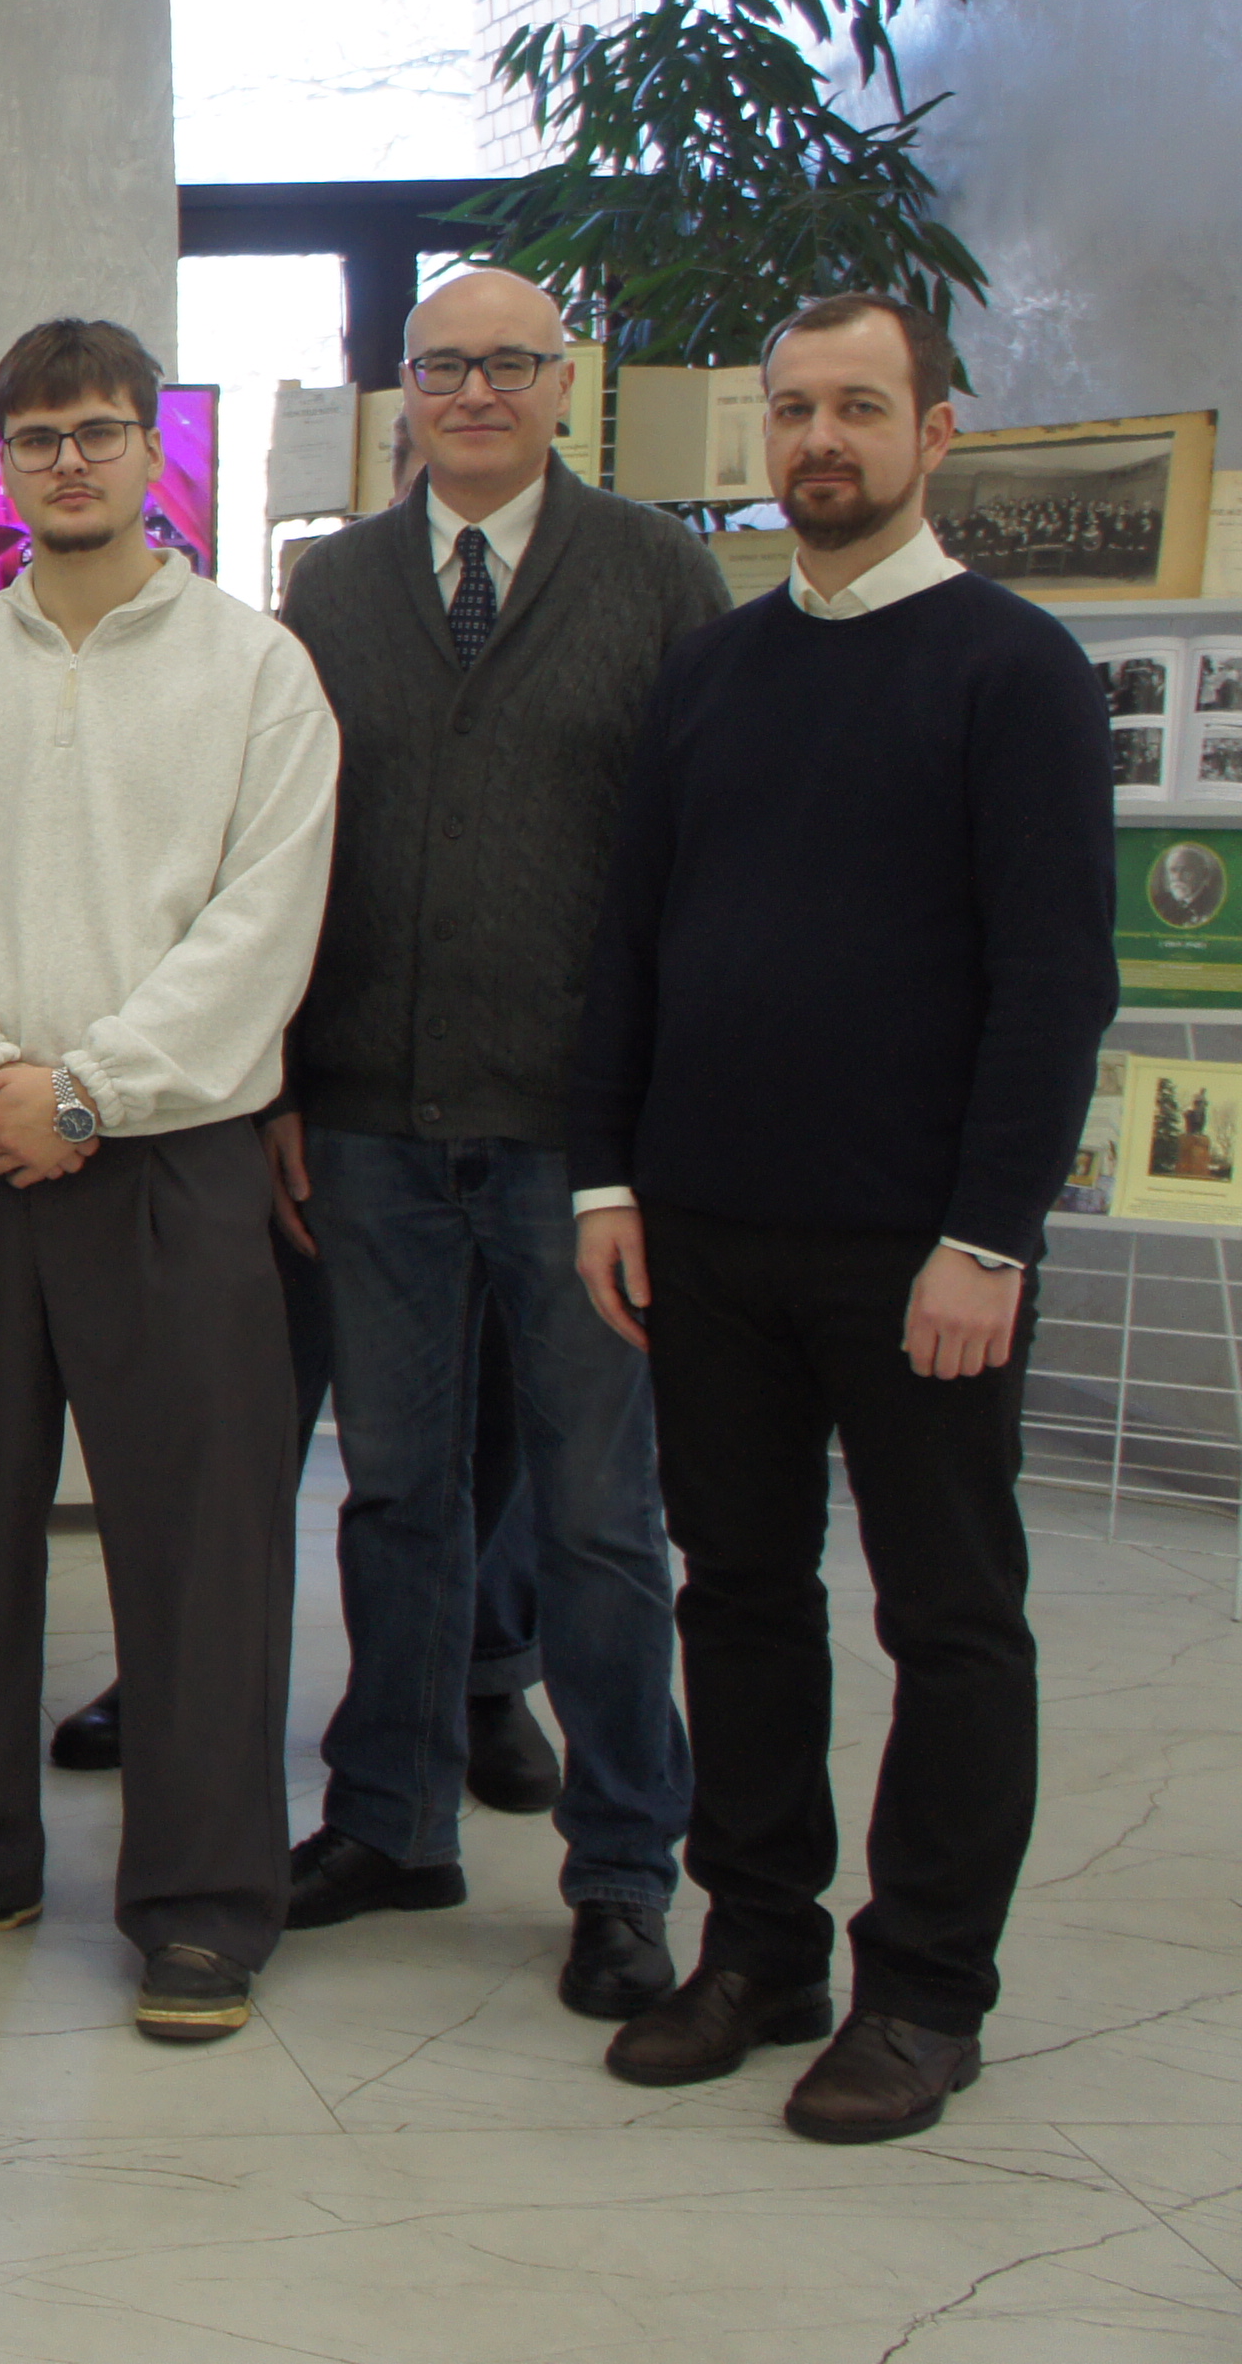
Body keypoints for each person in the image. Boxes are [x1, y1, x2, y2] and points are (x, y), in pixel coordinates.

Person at [571, 290, 1115, 2142]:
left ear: (932, 434)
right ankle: (761, 1947)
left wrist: (991, 1234)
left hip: (918, 1253)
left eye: (860, 408)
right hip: (707, 1232)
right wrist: (608, 1177)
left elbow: (1054, 981)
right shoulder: (713, 671)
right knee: (738, 1597)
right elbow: (632, 945)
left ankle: (927, 1991)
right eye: (795, 409)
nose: (822, 439)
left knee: (948, 1617)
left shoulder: (1014, 671)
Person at [0, 317, 338, 2046]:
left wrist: (94, 1092)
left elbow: (263, 921)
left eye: (99, 431)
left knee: (199, 1543)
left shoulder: (254, 671)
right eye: (37, 437)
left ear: (147, 451)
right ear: (2, 459)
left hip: (167, 1157)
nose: (68, 462)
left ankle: (201, 1902)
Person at [262, 268, 722, 2019]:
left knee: (598, 1520)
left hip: (575, 1140)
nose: (474, 392)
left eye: (508, 365)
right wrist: (285, 1082)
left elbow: (701, 854)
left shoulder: (657, 575)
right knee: (393, 1499)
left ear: (561, 382)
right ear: (404, 388)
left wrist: (655, 1129)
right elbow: (283, 848)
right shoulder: (333, 587)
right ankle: (390, 1821)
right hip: (369, 1121)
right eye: (443, 366)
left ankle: (622, 1872)